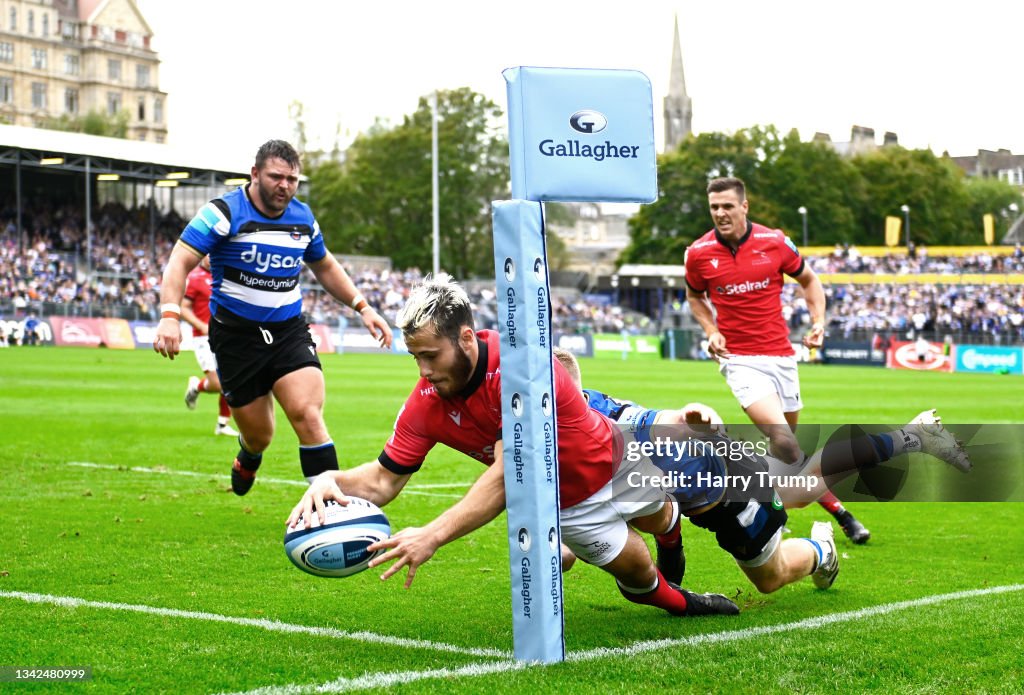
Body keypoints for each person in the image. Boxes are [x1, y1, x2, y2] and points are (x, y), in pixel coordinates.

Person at [288, 273, 738, 617]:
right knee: (641, 581)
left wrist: (433, 535)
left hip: (613, 457)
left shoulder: (519, 367)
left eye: (431, 355)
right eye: (415, 358)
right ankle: (691, 604)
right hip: (567, 505)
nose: (423, 370)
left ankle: (672, 534)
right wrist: (332, 479)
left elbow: (506, 476)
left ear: (466, 337)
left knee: (659, 515)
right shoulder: (426, 402)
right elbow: (384, 479)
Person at [552, 347, 971, 593]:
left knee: (771, 576)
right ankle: (910, 437)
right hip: (712, 473)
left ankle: (822, 549)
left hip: (722, 491)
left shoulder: (599, 419)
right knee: (803, 485)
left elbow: (661, 430)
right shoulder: (572, 414)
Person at [153, 139, 393, 495]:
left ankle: (330, 508)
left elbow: (324, 264)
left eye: (292, 179)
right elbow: (180, 260)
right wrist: (170, 315)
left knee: (307, 414)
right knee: (259, 435)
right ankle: (248, 455)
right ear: (255, 174)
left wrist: (363, 306)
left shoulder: (303, 218)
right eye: (276, 177)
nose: (285, 186)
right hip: (236, 337)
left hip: (287, 332)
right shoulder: (223, 213)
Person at [684, 176, 870, 544]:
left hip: (782, 357)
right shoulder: (698, 253)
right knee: (784, 440)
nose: (720, 213)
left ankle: (772, 505)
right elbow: (694, 297)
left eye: (727, 206)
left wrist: (818, 322)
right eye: (714, 207)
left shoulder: (774, 242)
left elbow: (810, 281)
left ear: (744, 206)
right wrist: (711, 331)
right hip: (739, 360)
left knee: (784, 456)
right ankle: (842, 514)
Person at [180, 255, 237, 437]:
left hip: (225, 336)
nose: (212, 258)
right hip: (204, 338)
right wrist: (200, 325)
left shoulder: (223, 276)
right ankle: (196, 386)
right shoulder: (195, 278)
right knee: (217, 383)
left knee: (231, 380)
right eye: (209, 254)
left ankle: (222, 425)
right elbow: (183, 307)